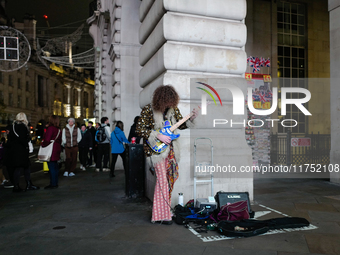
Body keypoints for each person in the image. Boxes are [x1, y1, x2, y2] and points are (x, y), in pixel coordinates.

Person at [136, 85, 198, 224]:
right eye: (167, 102)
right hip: (156, 151)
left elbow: (181, 125)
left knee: (170, 180)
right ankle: (161, 215)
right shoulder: (148, 109)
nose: (170, 104)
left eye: (172, 102)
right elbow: (139, 129)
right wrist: (158, 135)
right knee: (162, 181)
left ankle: (164, 212)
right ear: (161, 100)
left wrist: (192, 118)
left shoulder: (173, 110)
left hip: (170, 150)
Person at [7, 112, 40, 192]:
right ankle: (28, 184)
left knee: (17, 168)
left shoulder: (13, 126)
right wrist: (27, 143)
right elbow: (23, 139)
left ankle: (16, 185)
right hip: (22, 150)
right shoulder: (23, 127)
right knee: (26, 167)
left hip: (14, 150)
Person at [41, 115, 62, 189]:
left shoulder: (50, 128)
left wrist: (43, 144)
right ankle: (55, 182)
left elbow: (47, 139)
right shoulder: (59, 129)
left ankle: (53, 183)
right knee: (55, 166)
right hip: (57, 148)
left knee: (51, 166)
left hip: (51, 149)